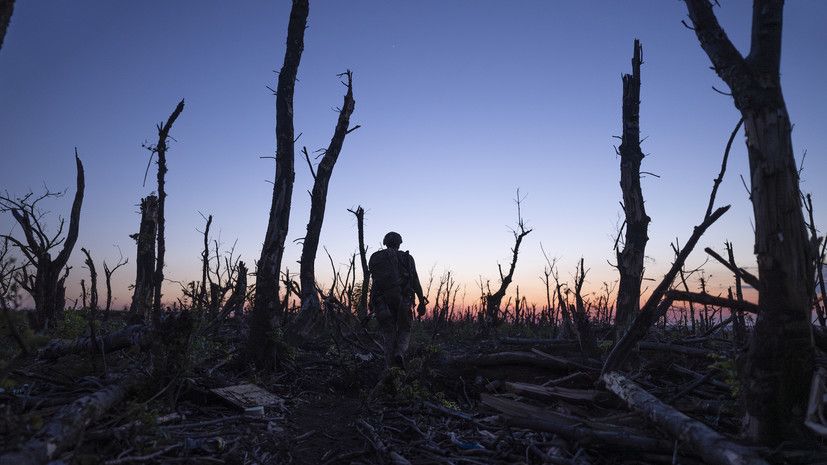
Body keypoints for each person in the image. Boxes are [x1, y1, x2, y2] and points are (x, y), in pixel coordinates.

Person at [368, 231, 427, 369]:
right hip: (403, 301)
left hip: (382, 301)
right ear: (399, 243)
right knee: (405, 329)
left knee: (388, 332)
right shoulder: (407, 258)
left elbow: (375, 282)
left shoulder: (375, 257)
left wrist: (371, 301)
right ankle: (400, 353)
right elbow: (415, 281)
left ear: (385, 242)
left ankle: (389, 367)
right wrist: (421, 302)